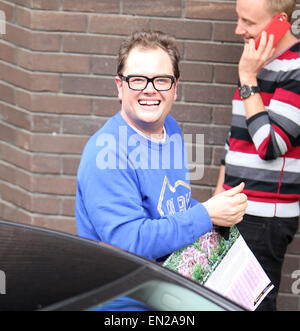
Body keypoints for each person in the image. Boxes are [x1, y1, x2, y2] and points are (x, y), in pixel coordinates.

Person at [75, 30, 247, 266]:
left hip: (168, 283)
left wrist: (218, 212)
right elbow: (128, 243)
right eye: (137, 79)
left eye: (161, 80)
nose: (149, 89)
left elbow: (171, 205)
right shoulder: (106, 153)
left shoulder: (171, 128)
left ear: (175, 88)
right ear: (119, 86)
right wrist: (206, 215)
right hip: (125, 299)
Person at [215, 0, 300, 311]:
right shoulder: (257, 62)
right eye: (238, 19)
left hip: (264, 218)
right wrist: (217, 200)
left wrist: (248, 78)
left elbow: (269, 145)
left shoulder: (295, 67)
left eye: (248, 22)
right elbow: (235, 139)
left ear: (280, 21)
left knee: (255, 305)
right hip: (234, 208)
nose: (239, 30)